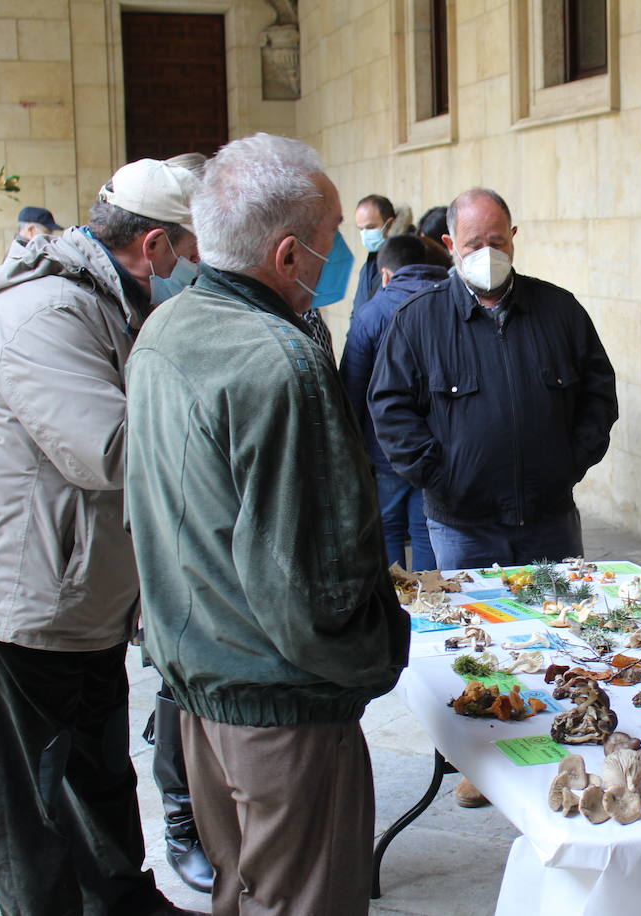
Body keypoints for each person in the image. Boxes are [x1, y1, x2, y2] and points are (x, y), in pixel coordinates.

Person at [124, 133, 408, 916]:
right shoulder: (282, 361)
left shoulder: (167, 329)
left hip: (200, 682)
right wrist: (377, 653)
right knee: (301, 898)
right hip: (280, 706)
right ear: (288, 257)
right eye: (329, 243)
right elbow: (316, 581)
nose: (342, 257)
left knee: (242, 890)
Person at [0, 158, 202, 916]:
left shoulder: (103, 301)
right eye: (188, 252)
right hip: (27, 594)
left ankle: (120, 898)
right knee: (34, 790)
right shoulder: (46, 314)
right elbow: (111, 450)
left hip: (82, 589)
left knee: (97, 768)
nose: (192, 269)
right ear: (153, 245)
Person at [369, 187, 618, 572]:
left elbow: (598, 393)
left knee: (561, 622)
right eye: (474, 244)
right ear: (450, 244)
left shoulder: (560, 311)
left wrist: (570, 462)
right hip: (462, 529)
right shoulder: (418, 320)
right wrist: (441, 476)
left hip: (550, 522)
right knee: (473, 630)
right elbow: (389, 408)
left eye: (497, 241)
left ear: (513, 238)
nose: (488, 253)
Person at [341, 232, 451, 570]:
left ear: (386, 274)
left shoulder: (370, 314)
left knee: (387, 528)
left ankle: (395, 605)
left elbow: (352, 387)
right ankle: (431, 604)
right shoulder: (451, 306)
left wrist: (355, 448)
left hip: (384, 448)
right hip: (439, 447)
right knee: (424, 529)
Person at [353, 193, 397, 308]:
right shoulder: (368, 267)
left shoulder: (404, 263)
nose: (364, 234)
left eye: (370, 227)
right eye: (361, 229)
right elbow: (357, 308)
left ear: (390, 224)